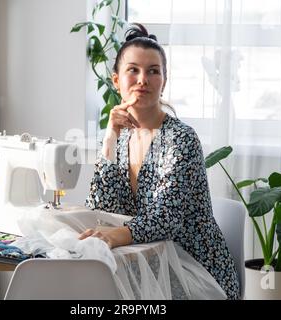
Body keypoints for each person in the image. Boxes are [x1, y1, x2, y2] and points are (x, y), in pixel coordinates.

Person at [82, 23, 240, 300]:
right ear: (116, 80)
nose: (143, 79)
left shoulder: (181, 139)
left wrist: (114, 236)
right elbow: (102, 207)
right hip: (147, 266)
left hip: (196, 272)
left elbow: (166, 220)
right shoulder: (119, 139)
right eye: (133, 70)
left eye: (153, 71)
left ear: (163, 82)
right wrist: (109, 138)